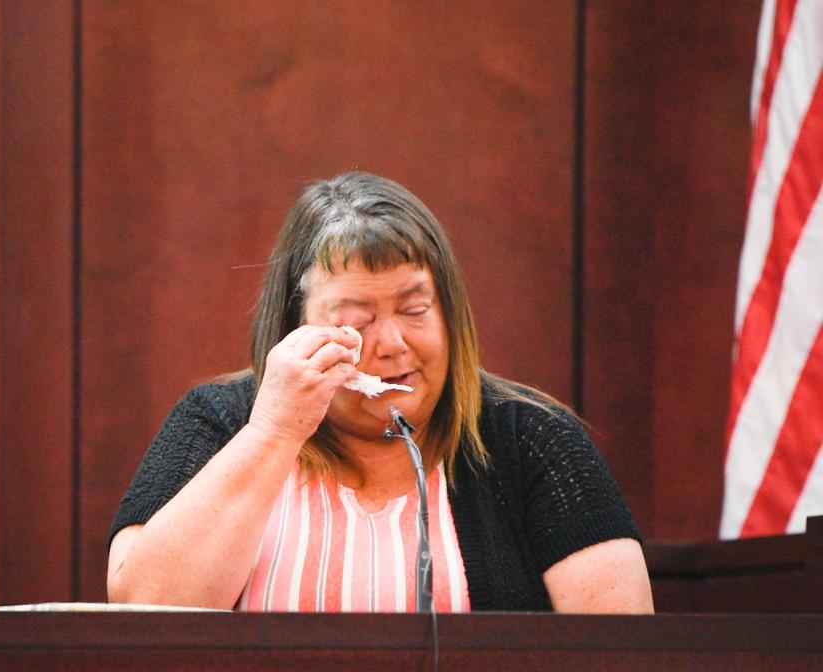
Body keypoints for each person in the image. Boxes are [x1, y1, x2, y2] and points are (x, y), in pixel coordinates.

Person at [107, 172, 654, 613]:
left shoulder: (532, 438)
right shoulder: (218, 422)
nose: (391, 344)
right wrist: (274, 431)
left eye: (415, 310)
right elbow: (142, 610)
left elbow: (620, 649)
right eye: (354, 320)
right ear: (293, 330)